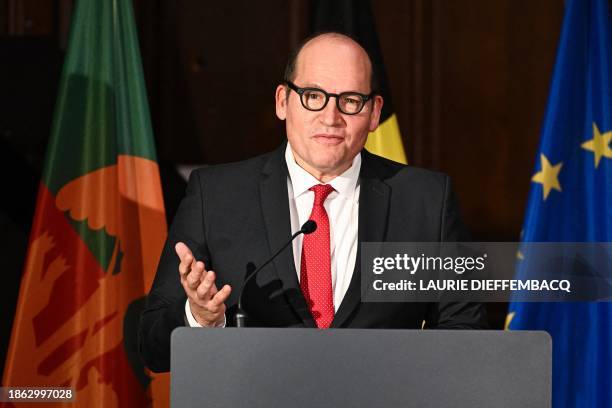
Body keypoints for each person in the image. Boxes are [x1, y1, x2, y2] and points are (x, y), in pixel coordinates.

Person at [138, 32, 487, 373]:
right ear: (282, 101)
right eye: (313, 96)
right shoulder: (215, 196)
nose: (331, 117)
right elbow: (152, 347)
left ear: (375, 112)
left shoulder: (425, 199)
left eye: (350, 100)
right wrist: (198, 317)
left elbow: (465, 332)